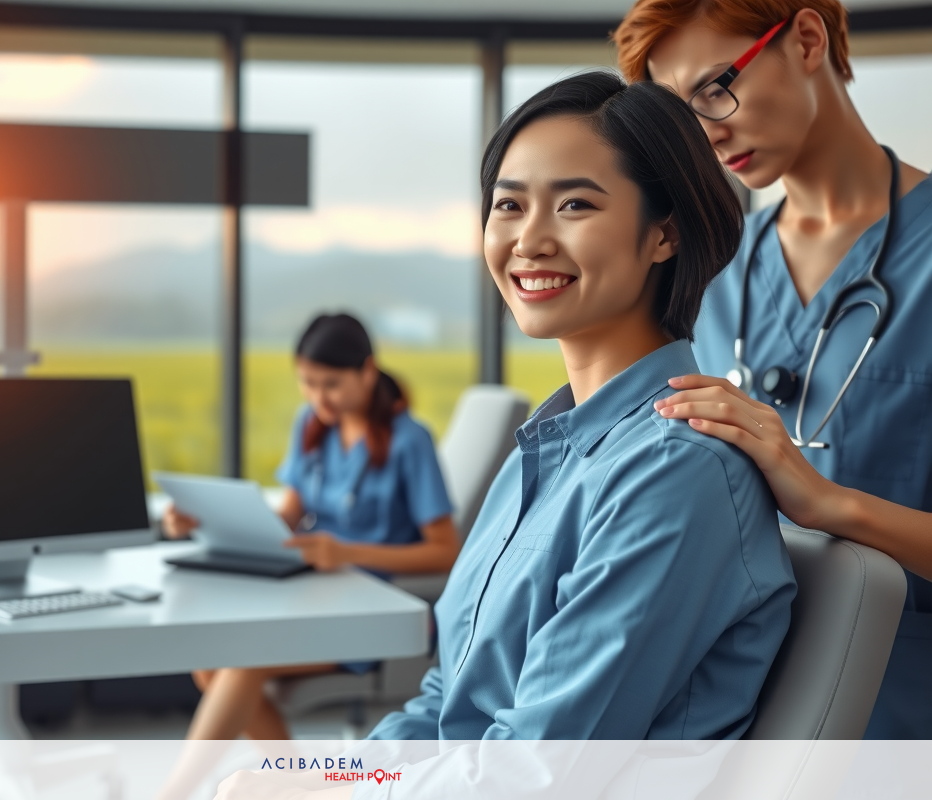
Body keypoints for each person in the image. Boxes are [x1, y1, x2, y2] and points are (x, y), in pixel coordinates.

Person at [362, 71, 795, 742]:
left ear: (664, 235)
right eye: (509, 206)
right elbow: (448, 700)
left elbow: (542, 768)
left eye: (574, 206)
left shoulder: (676, 470)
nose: (528, 240)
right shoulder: (541, 455)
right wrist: (318, 776)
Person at [615, 0, 932, 738]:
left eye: (715, 87)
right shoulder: (716, 272)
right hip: (738, 714)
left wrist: (831, 505)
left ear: (808, 38)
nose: (706, 132)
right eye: (679, 114)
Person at [161, 312, 460, 741]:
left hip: (370, 609)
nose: (320, 398)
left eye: (332, 384)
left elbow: (447, 550)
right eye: (308, 383)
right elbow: (288, 519)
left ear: (367, 371)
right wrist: (203, 518)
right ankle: (297, 784)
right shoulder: (312, 427)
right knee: (210, 662)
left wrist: (346, 553)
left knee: (240, 662)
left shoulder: (410, 441)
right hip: (313, 596)